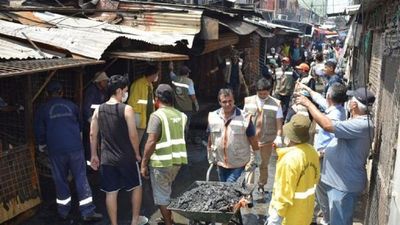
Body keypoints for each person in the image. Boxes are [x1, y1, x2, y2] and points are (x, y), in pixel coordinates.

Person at [295, 87, 376, 225]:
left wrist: (308, 104)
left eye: (351, 99)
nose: (348, 101)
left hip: (343, 185)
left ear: (354, 105)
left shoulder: (362, 125)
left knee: (340, 222)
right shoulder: (356, 120)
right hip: (334, 181)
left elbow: (327, 125)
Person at [34, 81, 102, 222]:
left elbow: (39, 131)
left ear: (47, 94)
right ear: (62, 92)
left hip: (56, 150)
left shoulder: (43, 109)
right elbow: (81, 126)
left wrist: (41, 145)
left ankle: (64, 211)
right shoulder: (72, 106)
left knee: (60, 179)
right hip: (75, 148)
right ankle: (87, 211)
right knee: (80, 177)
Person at [90, 75, 147, 225]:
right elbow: (133, 135)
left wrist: (94, 155)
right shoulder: (127, 109)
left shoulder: (98, 110)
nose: (126, 94)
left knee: (111, 192)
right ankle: (135, 221)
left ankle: (114, 223)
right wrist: (137, 153)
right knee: (136, 187)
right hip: (127, 157)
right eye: (126, 91)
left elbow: (92, 134)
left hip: (107, 159)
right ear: (119, 91)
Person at [297, 82, 347, 225]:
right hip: (323, 157)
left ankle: (327, 220)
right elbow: (319, 99)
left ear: (329, 96)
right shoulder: (336, 109)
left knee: (322, 191)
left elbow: (336, 139)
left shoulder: (335, 116)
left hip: (324, 159)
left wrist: (321, 154)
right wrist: (307, 89)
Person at [140, 84, 188, 225]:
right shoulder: (182, 116)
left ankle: (168, 222)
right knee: (166, 191)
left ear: (157, 99)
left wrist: (143, 163)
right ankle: (168, 218)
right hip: (177, 162)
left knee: (161, 196)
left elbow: (151, 141)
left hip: (161, 162)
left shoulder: (156, 116)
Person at [266, 114, 320, 225]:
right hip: (306, 212)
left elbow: (284, 193)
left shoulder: (289, 159)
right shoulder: (312, 151)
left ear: (290, 135)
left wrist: (275, 219)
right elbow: (315, 178)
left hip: (290, 217)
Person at [207, 88, 261, 182]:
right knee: (224, 189)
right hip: (221, 162)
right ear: (220, 102)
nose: (228, 104)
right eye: (224, 102)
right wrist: (210, 154)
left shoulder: (245, 117)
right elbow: (211, 137)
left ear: (234, 100)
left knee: (230, 186)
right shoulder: (213, 117)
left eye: (230, 101)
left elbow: (252, 138)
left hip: (239, 162)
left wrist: (257, 156)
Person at [243, 78, 283, 193]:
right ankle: (248, 191)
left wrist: (279, 136)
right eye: (260, 94)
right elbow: (244, 120)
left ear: (269, 91)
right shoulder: (248, 101)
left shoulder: (276, 103)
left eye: (265, 93)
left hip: (267, 141)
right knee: (250, 165)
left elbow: (279, 121)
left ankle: (261, 184)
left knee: (264, 165)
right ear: (257, 91)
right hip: (251, 140)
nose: (263, 95)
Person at [127, 64, 159, 143]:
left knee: (146, 143)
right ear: (153, 74)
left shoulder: (150, 85)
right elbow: (132, 103)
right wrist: (136, 118)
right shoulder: (138, 84)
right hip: (140, 120)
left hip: (148, 119)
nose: (157, 76)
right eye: (157, 74)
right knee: (136, 142)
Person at [82, 71, 109, 162]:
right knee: (90, 142)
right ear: (100, 82)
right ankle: (90, 163)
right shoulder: (92, 91)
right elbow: (87, 106)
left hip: (99, 120)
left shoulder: (103, 91)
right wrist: (91, 120)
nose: (106, 83)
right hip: (91, 121)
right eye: (104, 81)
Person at [169, 63, 199, 140]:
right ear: (187, 73)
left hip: (176, 107)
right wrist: (196, 104)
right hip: (187, 108)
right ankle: (183, 141)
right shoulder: (189, 81)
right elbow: (192, 95)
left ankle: (175, 139)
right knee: (185, 125)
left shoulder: (174, 79)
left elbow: (171, 74)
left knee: (176, 124)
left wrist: (171, 68)